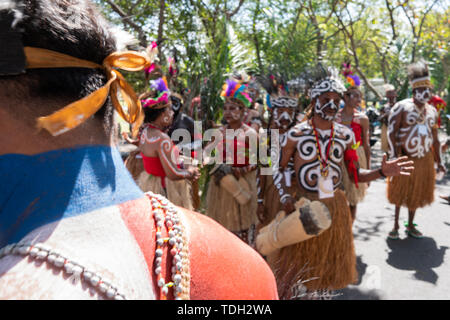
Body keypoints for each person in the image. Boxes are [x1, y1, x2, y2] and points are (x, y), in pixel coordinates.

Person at [0, 0, 278, 300]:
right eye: (229, 106)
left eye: (237, 107)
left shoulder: (252, 135)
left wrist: (246, 178)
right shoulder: (246, 270)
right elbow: (184, 162)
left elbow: (262, 164)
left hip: (239, 193)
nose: (232, 112)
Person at [265, 66, 413, 299]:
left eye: (336, 100)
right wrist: (284, 197)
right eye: (326, 99)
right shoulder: (296, 134)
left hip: (334, 206)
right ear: (314, 100)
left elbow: (355, 176)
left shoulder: (345, 135)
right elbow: (278, 169)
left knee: (325, 274)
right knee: (299, 273)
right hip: (302, 205)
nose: (332, 105)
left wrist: (381, 172)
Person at [387, 60, 446, 240]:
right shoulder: (401, 107)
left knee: (416, 192)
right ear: (414, 90)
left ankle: (411, 224)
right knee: (400, 191)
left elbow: (435, 140)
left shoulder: (432, 112)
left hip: (423, 159)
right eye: (421, 90)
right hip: (405, 157)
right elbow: (391, 132)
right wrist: (392, 156)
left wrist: (440, 161)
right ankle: (396, 224)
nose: (425, 93)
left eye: (428, 90)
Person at [204, 79, 259, 244]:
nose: (228, 112)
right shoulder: (218, 132)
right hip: (221, 184)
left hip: (242, 184)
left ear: (243, 111)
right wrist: (210, 162)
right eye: (225, 109)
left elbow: (260, 161)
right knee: (222, 225)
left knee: (243, 224)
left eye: (233, 108)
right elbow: (206, 153)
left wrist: (241, 170)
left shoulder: (250, 133)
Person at [136, 78, 199, 211]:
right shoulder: (162, 139)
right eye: (169, 110)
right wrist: (190, 172)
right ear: (162, 114)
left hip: (150, 185)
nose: (172, 114)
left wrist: (184, 160)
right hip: (164, 189)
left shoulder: (144, 132)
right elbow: (173, 173)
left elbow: (159, 161)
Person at [336, 72, 371, 222]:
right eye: (355, 96)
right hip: (337, 156)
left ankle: (350, 228)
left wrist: (368, 169)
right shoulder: (335, 117)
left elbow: (366, 144)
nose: (358, 99)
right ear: (345, 97)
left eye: (359, 97)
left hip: (357, 156)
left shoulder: (362, 119)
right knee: (339, 194)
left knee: (353, 196)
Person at [379, 85, 397, 154]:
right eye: (389, 94)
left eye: (392, 94)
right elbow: (379, 119)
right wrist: (385, 115)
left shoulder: (399, 106)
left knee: (396, 148)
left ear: (395, 95)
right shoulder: (384, 107)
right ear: (387, 96)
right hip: (386, 128)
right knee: (387, 149)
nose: (391, 96)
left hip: (396, 129)